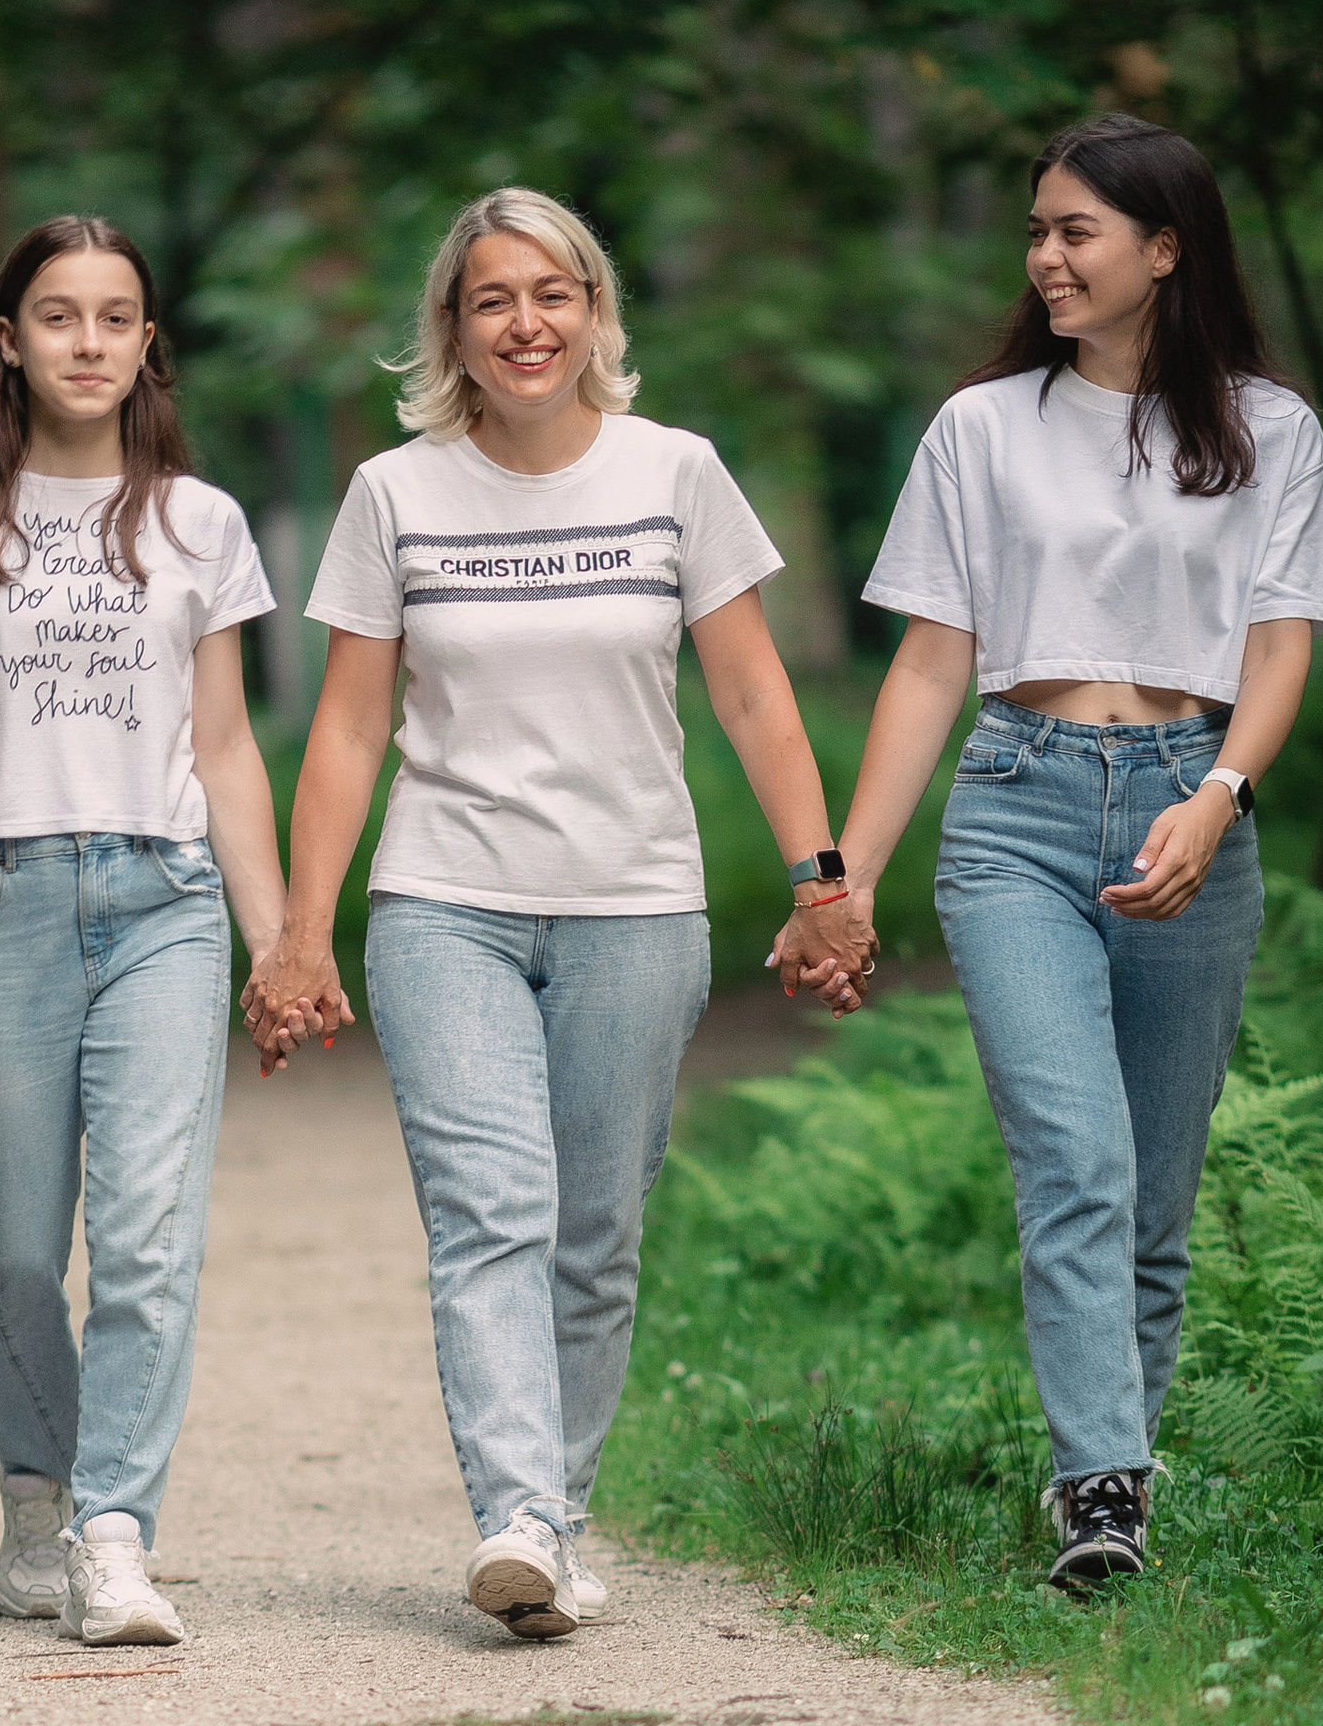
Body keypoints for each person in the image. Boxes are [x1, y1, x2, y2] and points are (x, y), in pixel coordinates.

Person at [245, 184, 866, 1641]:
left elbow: (753, 689)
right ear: (451, 330)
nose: (525, 324)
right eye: (491, 300)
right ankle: (515, 1513)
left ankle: (561, 1517)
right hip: (444, 898)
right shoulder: (396, 493)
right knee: (491, 1215)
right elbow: (345, 732)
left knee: (596, 1228)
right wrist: (300, 929)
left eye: (552, 294)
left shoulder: (677, 473)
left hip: (634, 902)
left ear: (594, 313)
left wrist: (819, 879)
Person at [779, 112, 1323, 1595]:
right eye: (1036, 231)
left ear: (1164, 249)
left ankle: (1118, 1500)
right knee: (1078, 1161)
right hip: (1017, 810)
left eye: (1075, 231)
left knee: (1154, 1204)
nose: (1044, 256)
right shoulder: (984, 428)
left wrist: (1222, 792)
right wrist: (840, 879)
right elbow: (928, 667)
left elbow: (1280, 648)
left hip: (1191, 807)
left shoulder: (1271, 430)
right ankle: (1097, 1486)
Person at [0, 214, 291, 1649]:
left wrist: (279, 937)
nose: (89, 342)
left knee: (150, 1237)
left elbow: (225, 747)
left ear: (148, 344)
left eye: (116, 317)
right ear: (8, 341)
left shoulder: (199, 524)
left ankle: (114, 1531)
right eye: (58, 316)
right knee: (13, 1246)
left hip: (164, 899)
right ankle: (34, 1492)